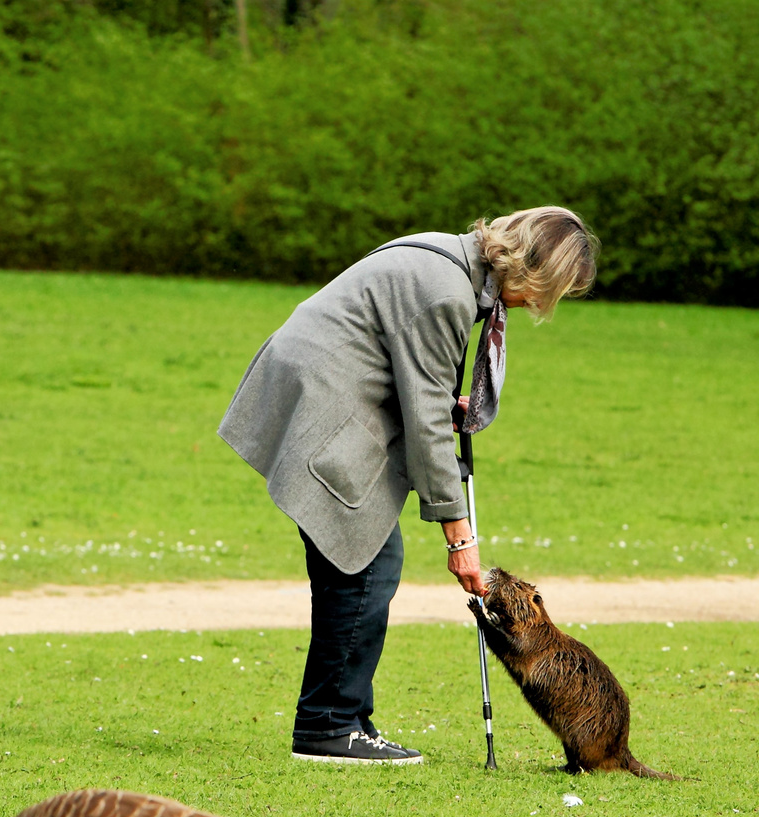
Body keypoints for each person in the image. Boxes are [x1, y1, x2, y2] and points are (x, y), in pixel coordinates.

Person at [218, 207, 599, 764]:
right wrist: (459, 538)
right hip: (322, 403)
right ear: (529, 268)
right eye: (550, 291)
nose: (543, 306)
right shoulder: (446, 291)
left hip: (315, 388)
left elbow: (414, 373)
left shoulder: (453, 260)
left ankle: (342, 722)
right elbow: (423, 425)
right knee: (366, 562)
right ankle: (328, 727)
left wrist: (445, 402)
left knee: (362, 564)